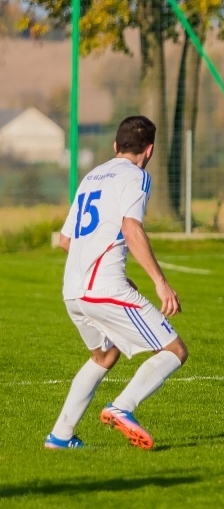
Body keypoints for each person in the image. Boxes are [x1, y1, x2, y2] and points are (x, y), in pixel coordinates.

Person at [44, 115, 189, 450]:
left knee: (105, 355)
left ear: (115, 145)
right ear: (149, 150)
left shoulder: (91, 176)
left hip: (73, 291)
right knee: (175, 350)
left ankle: (60, 436)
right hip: (103, 289)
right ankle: (122, 407)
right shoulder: (137, 176)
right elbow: (131, 228)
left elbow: (65, 241)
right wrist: (160, 282)